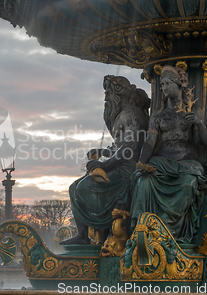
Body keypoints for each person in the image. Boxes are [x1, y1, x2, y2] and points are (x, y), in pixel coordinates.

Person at [61, 75, 150, 245]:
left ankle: (104, 228)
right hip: (120, 162)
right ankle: (82, 235)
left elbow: (131, 146)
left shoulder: (131, 113)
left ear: (117, 95)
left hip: (129, 167)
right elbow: (119, 147)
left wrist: (105, 164)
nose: (106, 99)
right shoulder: (122, 114)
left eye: (108, 94)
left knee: (84, 187)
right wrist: (102, 152)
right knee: (74, 188)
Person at [130, 65, 207, 243]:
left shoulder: (193, 111)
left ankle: (165, 227)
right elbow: (150, 142)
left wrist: (199, 123)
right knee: (143, 182)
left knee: (189, 183)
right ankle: (141, 229)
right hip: (162, 161)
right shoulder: (158, 115)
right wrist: (140, 165)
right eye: (162, 84)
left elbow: (204, 141)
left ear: (178, 84)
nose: (163, 88)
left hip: (187, 163)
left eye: (167, 83)